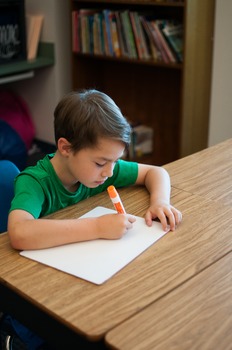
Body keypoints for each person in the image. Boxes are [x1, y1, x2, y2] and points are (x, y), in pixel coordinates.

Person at [8, 89, 182, 251]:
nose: (110, 172)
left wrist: (160, 202)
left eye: (116, 161)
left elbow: (156, 172)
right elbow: (19, 233)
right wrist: (97, 227)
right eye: (100, 163)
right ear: (66, 148)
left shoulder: (101, 171)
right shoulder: (34, 182)